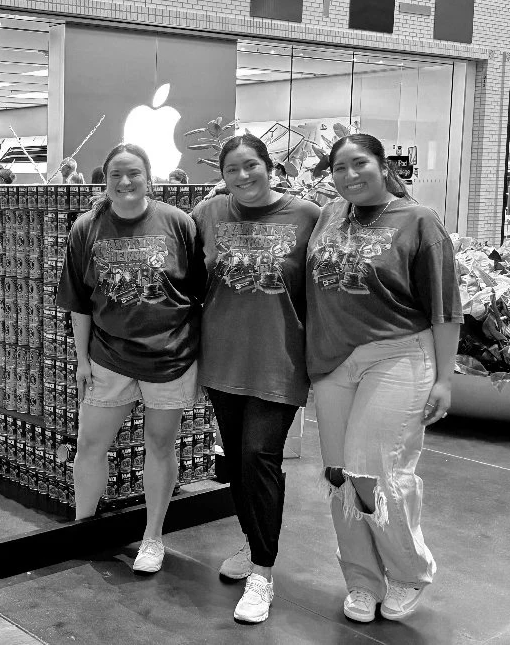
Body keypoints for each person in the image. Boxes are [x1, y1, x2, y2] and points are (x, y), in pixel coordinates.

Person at [307, 133, 461, 623]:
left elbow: (445, 306)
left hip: (397, 356)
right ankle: (361, 580)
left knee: (373, 473)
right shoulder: (330, 215)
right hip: (332, 362)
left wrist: (443, 379)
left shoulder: (418, 220)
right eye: (339, 168)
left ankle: (409, 572)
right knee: (338, 476)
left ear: (382, 165)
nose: (351, 175)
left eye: (360, 164)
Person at [56, 143, 204, 574]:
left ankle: (152, 537)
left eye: (134, 173)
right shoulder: (87, 228)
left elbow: (198, 292)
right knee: (89, 444)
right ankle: (83, 525)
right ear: (105, 179)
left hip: (170, 358)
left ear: (149, 177)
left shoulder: (178, 223)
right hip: (108, 358)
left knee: (160, 445)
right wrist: (82, 360)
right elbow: (79, 302)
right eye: (117, 174)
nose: (125, 182)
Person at [191, 134, 319, 624]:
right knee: (238, 460)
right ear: (221, 176)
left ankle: (263, 575)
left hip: (280, 360)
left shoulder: (307, 215)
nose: (243, 177)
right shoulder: (210, 214)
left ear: (270, 167)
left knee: (258, 456)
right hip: (223, 359)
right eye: (232, 170)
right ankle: (251, 541)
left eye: (252, 166)